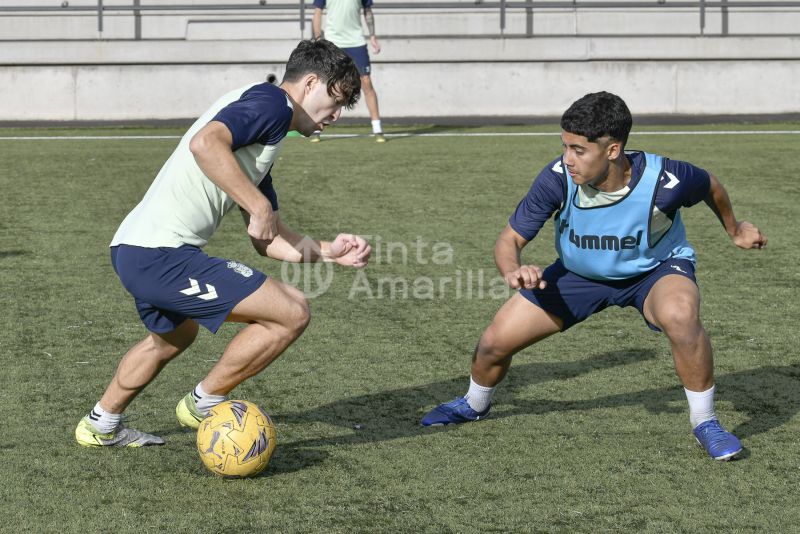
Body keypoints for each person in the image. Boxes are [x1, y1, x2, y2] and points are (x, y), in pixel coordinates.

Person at [421, 92, 767, 461]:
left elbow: (709, 184)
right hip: (578, 274)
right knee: (494, 342)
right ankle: (475, 404)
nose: (567, 159)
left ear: (613, 150)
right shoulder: (557, 177)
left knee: (681, 316)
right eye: (564, 146)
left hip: (653, 272)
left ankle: (705, 422)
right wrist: (513, 269)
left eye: (579, 150)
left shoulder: (667, 179)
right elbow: (510, 239)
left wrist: (734, 228)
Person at [75, 39, 372, 448]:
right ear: (309, 83)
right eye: (336, 100)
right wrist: (257, 205)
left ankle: (101, 424)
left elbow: (267, 239)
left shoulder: (261, 135)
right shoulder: (273, 104)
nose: (336, 115)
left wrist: (327, 251)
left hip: (132, 248)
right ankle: (202, 404)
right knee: (291, 311)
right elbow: (205, 144)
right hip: (160, 254)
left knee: (173, 339)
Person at [312, 0, 385, 143]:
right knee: (325, 84)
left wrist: (372, 36)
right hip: (333, 42)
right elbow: (317, 13)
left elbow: (368, 11)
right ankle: (316, 126)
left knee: (366, 82)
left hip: (356, 42)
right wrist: (318, 39)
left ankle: (377, 128)